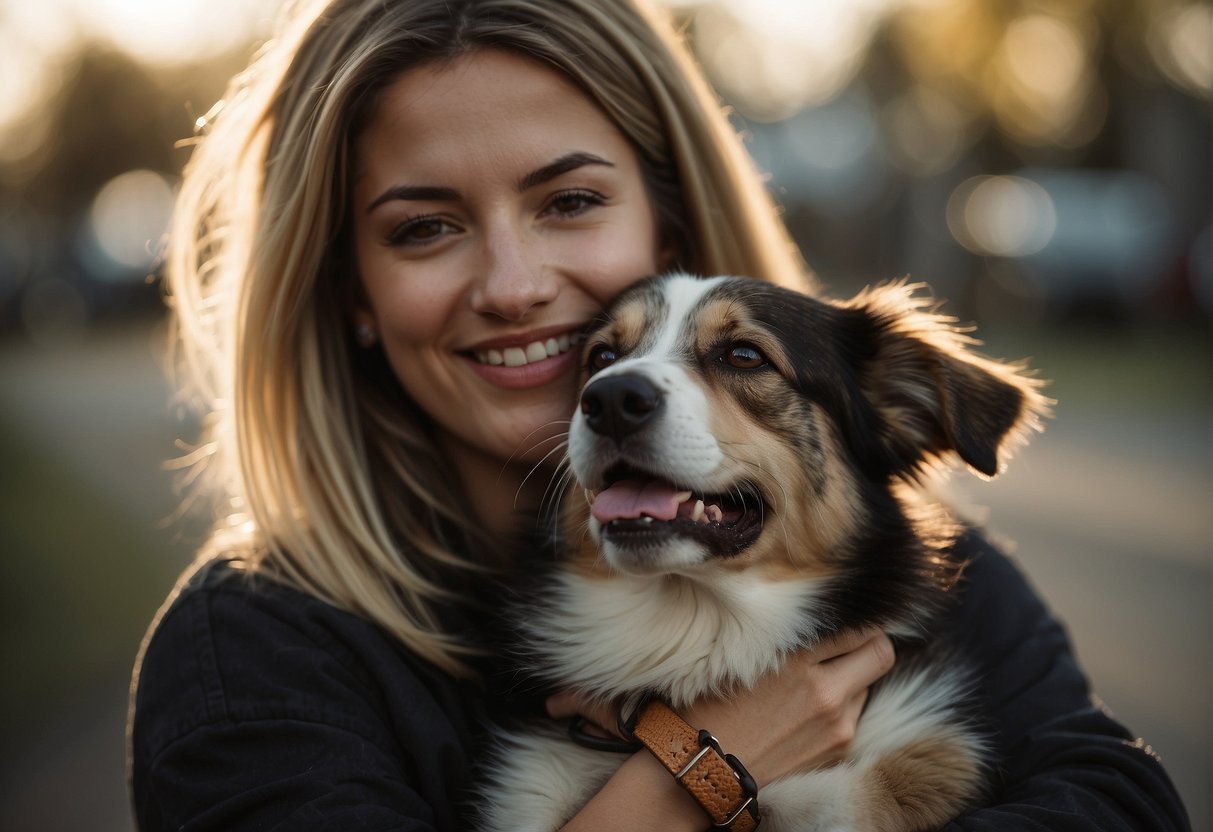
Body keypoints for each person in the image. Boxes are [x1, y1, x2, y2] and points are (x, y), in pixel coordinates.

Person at [127, 0, 1190, 829]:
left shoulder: (934, 568)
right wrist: (696, 777)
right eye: (423, 227)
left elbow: (1123, 799)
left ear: (668, 233)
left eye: (569, 201)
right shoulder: (251, 655)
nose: (510, 283)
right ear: (347, 290)